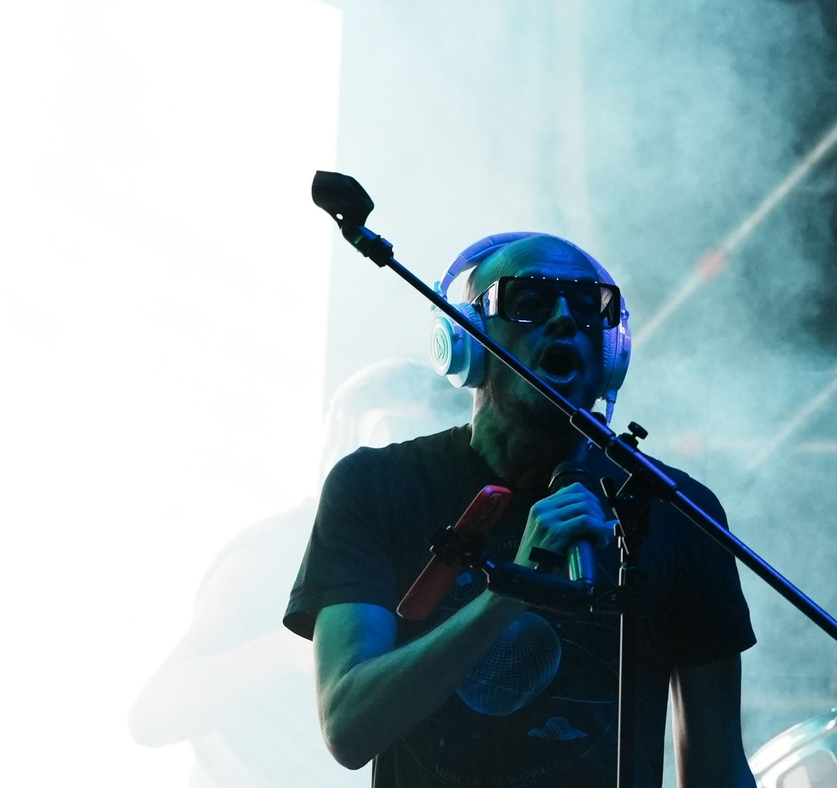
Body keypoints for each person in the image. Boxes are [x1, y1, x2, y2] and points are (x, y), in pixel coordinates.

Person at [284, 233, 757, 788]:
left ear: (612, 352)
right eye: (528, 301)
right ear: (466, 339)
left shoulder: (679, 510)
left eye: (588, 307)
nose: (564, 319)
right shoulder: (377, 486)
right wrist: (512, 589)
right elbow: (348, 726)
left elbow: (717, 767)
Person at [129, 359, 452, 788]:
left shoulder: (429, 560)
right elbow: (154, 713)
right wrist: (286, 651)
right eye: (396, 442)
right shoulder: (275, 549)